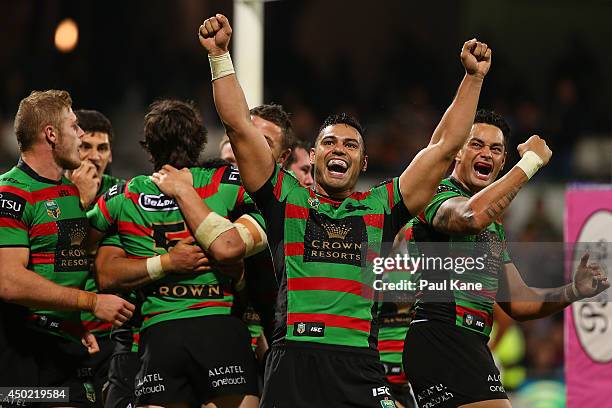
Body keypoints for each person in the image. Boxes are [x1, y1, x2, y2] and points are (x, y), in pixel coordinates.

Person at [198, 14, 492, 407]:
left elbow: (443, 148)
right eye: (330, 142)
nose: (339, 149)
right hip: (294, 360)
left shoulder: (382, 205)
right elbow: (238, 126)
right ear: (313, 154)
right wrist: (219, 55)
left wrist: (473, 79)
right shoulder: (286, 198)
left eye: (351, 145)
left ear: (364, 163)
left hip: (358, 364)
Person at [402, 109, 609, 407]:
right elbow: (470, 215)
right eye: (476, 144)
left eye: (495, 149)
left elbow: (520, 303)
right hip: (441, 336)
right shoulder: (436, 194)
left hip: (470, 341)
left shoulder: (493, 227)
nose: (486, 153)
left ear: (501, 161)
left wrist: (573, 290)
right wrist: (530, 163)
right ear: (458, 151)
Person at [89, 99, 266, 408]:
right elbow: (270, 207)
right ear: (199, 142)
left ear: (148, 146)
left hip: (160, 333)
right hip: (219, 325)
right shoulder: (224, 182)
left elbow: (82, 241)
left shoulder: (123, 195)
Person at [0, 90, 134, 406]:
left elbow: (62, 261)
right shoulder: (11, 193)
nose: (80, 135)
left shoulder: (69, 192)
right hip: (23, 349)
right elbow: (8, 281)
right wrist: (90, 303)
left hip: (67, 342)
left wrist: (72, 321)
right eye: (74, 127)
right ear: (50, 134)